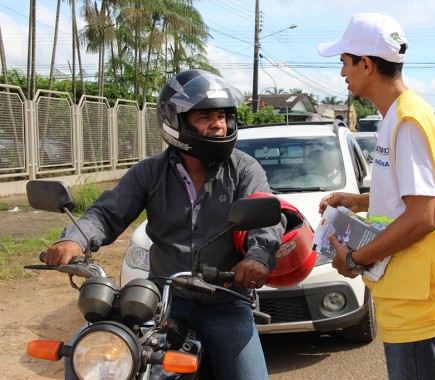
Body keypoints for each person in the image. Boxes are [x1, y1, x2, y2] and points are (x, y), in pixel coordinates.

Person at [43, 70, 285, 380]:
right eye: (204, 116)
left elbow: (266, 217)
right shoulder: (150, 172)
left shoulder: (244, 169)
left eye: (223, 115)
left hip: (225, 302)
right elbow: (107, 212)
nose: (218, 123)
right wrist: (74, 240)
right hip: (163, 303)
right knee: (92, 352)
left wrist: (257, 256)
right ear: (176, 121)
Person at [316, 12, 435, 379]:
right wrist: (357, 201)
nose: (342, 73)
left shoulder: (407, 121)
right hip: (411, 300)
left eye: (345, 62)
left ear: (365, 63)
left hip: (418, 308)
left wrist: (356, 259)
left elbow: (423, 216)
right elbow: (408, 199)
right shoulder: (401, 115)